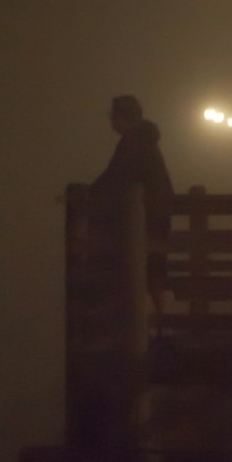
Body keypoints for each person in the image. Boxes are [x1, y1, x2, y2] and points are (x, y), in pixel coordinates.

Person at [90, 94, 173, 320]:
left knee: (143, 269)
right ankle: (160, 324)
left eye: (113, 116)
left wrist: (88, 197)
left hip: (147, 216)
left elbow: (116, 175)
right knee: (154, 270)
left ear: (121, 118)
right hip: (158, 213)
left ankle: (149, 325)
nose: (111, 122)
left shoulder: (134, 142)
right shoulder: (145, 140)